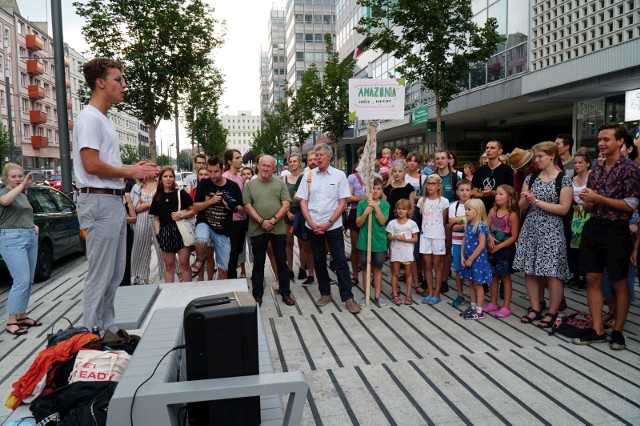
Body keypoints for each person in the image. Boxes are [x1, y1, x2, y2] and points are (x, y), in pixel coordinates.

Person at [72, 57, 158, 333]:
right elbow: (91, 164)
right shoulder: (88, 119)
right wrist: (131, 171)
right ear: (100, 83)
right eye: (118, 79)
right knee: (101, 273)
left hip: (110, 199)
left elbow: (103, 165)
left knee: (115, 271)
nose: (124, 85)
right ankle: (90, 334)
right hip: (98, 200)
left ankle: (106, 329)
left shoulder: (104, 120)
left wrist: (131, 171)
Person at [574, 124, 640, 350]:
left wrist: (598, 198)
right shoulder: (597, 171)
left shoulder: (629, 168)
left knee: (618, 281)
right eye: (600, 140)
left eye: (606, 139)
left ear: (620, 142)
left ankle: (618, 331)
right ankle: (597, 329)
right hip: (594, 227)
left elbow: (631, 204)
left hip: (617, 230)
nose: (601, 143)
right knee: (592, 278)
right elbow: (591, 206)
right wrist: (587, 200)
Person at [296, 143, 361, 314]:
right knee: (318, 260)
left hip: (333, 225)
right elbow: (302, 200)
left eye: (321, 155)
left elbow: (343, 202)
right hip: (313, 224)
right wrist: (310, 221)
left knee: (339, 260)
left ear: (329, 157)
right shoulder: (308, 175)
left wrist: (330, 222)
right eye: (316, 155)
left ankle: (348, 297)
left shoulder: (339, 175)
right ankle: (325, 293)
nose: (317, 158)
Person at [513, 141, 572, 328]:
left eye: (540, 156)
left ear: (552, 156)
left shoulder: (563, 179)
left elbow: (563, 208)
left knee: (552, 272)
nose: (536, 160)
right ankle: (535, 306)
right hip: (531, 228)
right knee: (530, 270)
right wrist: (526, 199)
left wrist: (536, 201)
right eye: (535, 156)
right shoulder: (531, 178)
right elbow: (521, 206)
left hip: (552, 230)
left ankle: (553, 310)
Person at [243, 155, 293, 306]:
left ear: (274, 168)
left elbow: (286, 205)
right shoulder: (249, 185)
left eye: (269, 166)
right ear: (257, 166)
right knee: (258, 263)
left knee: (281, 263)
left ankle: (285, 293)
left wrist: (273, 220)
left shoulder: (280, 184)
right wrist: (261, 221)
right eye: (263, 165)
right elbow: (247, 205)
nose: (265, 168)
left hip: (277, 229)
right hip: (257, 229)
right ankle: (257, 295)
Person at [1, 165, 40, 335]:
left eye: (20, 176)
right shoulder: (3, 192)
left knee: (29, 279)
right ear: (5, 178)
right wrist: (23, 184)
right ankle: (11, 321)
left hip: (29, 236)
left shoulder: (22, 195)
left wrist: (33, 225)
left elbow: (23, 215)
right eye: (13, 176)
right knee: (21, 280)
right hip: (11, 238)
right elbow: (5, 202)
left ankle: (22, 315)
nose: (17, 179)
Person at [191, 156, 243, 280]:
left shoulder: (233, 186)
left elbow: (242, 208)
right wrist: (211, 201)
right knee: (201, 240)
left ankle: (221, 294)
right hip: (205, 223)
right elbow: (195, 207)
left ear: (222, 170)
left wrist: (231, 207)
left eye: (216, 171)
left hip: (224, 231)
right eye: (210, 171)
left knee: (223, 270)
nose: (212, 175)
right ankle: (200, 258)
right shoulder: (204, 184)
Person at [150, 167, 196, 283]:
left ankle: (188, 292)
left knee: (184, 264)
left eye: (171, 176)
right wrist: (158, 234)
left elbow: (193, 210)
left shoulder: (181, 193)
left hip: (181, 231)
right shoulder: (157, 197)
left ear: (174, 178)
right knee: (169, 266)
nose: (168, 179)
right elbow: (156, 218)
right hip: (165, 232)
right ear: (160, 179)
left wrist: (181, 216)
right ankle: (169, 293)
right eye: (165, 176)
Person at [485, 185, 520, 318]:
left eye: (501, 194)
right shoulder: (493, 211)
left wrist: (499, 246)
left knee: (506, 277)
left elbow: (514, 236)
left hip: (505, 250)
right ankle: (493, 302)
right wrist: (489, 238)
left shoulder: (512, 215)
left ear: (509, 198)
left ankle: (506, 305)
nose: (497, 196)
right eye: (497, 194)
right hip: (491, 248)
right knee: (493, 276)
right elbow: (486, 227)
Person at [355, 177, 390, 306]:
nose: (375, 191)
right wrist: (366, 212)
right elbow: (358, 223)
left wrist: (375, 207)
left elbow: (382, 221)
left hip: (379, 242)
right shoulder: (362, 204)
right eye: (373, 188)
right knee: (365, 268)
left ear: (381, 190)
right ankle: (366, 294)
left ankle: (377, 295)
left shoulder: (385, 204)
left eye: (378, 189)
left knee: (377, 268)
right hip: (364, 241)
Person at [417, 174, 449, 305]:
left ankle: (437, 293)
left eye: (433, 183)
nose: (430, 186)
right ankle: (430, 292)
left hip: (438, 236)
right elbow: (420, 219)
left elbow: (444, 220)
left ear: (439, 186)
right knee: (427, 265)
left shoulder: (444, 201)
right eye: (428, 183)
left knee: (437, 264)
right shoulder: (422, 201)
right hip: (425, 235)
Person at [459, 199, 493, 320]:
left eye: (469, 209)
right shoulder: (468, 225)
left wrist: (471, 259)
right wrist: (462, 256)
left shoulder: (481, 226)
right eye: (465, 209)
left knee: (478, 285)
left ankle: (479, 310)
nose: (466, 212)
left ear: (477, 211)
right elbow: (464, 241)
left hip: (477, 261)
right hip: (468, 259)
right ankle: (473, 306)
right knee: (471, 284)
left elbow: (481, 245)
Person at [131, 176, 165, 284]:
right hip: (142, 219)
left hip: (157, 218)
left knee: (162, 247)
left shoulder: (161, 183)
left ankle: (170, 273)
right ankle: (142, 277)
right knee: (140, 247)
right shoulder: (137, 187)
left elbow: (164, 202)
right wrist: (151, 204)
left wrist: (146, 204)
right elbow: (136, 207)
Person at [386, 198, 419, 305]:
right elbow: (388, 236)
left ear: (408, 210)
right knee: (395, 273)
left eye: (403, 209)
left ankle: (409, 295)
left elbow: (415, 239)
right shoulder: (392, 223)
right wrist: (395, 236)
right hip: (396, 252)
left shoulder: (412, 223)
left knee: (408, 274)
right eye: (399, 208)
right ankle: (395, 293)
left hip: (407, 253)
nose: (401, 211)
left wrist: (404, 239)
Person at [567, 152, 592, 288]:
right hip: (575, 212)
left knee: (585, 244)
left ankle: (584, 274)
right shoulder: (572, 178)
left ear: (587, 163)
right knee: (574, 243)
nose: (576, 165)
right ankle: (575, 273)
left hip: (588, 212)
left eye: (580, 162)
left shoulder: (592, 177)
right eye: (575, 162)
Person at [447, 179, 472, 308]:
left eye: (467, 190)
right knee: (458, 269)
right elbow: (453, 227)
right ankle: (461, 295)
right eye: (461, 190)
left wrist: (460, 221)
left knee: (473, 269)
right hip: (457, 242)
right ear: (457, 192)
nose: (464, 193)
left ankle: (474, 298)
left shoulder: (476, 205)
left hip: (473, 242)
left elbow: (477, 223)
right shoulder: (453, 206)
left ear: (471, 191)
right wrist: (466, 222)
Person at [222, 149, 247, 279]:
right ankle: (231, 277)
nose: (241, 160)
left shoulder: (239, 178)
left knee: (238, 250)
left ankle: (233, 275)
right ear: (230, 161)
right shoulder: (225, 177)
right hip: (231, 220)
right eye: (237, 158)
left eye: (241, 157)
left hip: (242, 219)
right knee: (232, 251)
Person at [346, 147, 369, 286]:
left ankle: (370, 274)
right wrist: (366, 197)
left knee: (369, 246)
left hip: (371, 211)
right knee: (355, 246)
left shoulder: (376, 177)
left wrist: (357, 197)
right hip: (355, 212)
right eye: (361, 159)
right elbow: (349, 197)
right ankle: (355, 275)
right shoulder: (352, 177)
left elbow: (379, 196)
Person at [472, 140, 514, 213]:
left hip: (502, 209)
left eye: (492, 148)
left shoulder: (507, 170)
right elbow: (474, 192)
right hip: (483, 210)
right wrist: (483, 195)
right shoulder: (479, 170)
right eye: (487, 148)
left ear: (500, 151)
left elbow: (511, 193)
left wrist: (493, 193)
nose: (488, 150)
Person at [283, 153, 304, 281]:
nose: (292, 164)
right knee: (288, 242)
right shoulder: (284, 179)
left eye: (295, 161)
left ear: (300, 162)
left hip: (301, 212)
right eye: (290, 162)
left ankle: (303, 267)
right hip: (288, 211)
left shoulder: (305, 177)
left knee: (302, 242)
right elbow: (283, 197)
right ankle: (289, 268)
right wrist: (288, 212)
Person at [297, 151, 317, 286]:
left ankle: (325, 274)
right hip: (308, 217)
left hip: (326, 218)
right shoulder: (304, 177)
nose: (313, 162)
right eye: (310, 160)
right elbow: (296, 196)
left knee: (324, 248)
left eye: (315, 159)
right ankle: (310, 274)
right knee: (308, 247)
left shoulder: (333, 175)